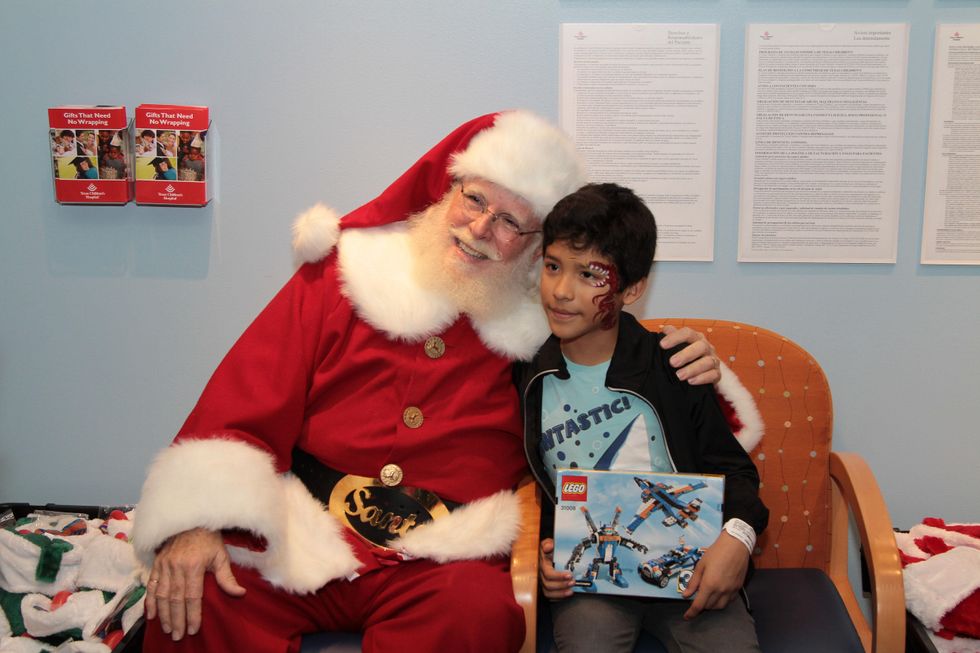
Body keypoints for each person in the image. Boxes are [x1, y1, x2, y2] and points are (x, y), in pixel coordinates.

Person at [132, 112, 724, 653]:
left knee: (476, 614)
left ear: (534, 248)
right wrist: (197, 519)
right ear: (447, 191)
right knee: (199, 594)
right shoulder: (345, 277)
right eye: (475, 200)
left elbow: (620, 365)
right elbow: (243, 399)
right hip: (302, 529)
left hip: (440, 561)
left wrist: (684, 360)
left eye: (511, 222)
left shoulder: (543, 327)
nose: (480, 227)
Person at [515, 183, 769, 653]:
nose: (561, 291)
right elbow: (519, 484)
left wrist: (738, 538)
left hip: (691, 571)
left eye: (590, 275)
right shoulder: (525, 372)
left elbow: (735, 470)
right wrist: (540, 554)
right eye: (552, 266)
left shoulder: (675, 366)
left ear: (631, 289)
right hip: (589, 584)